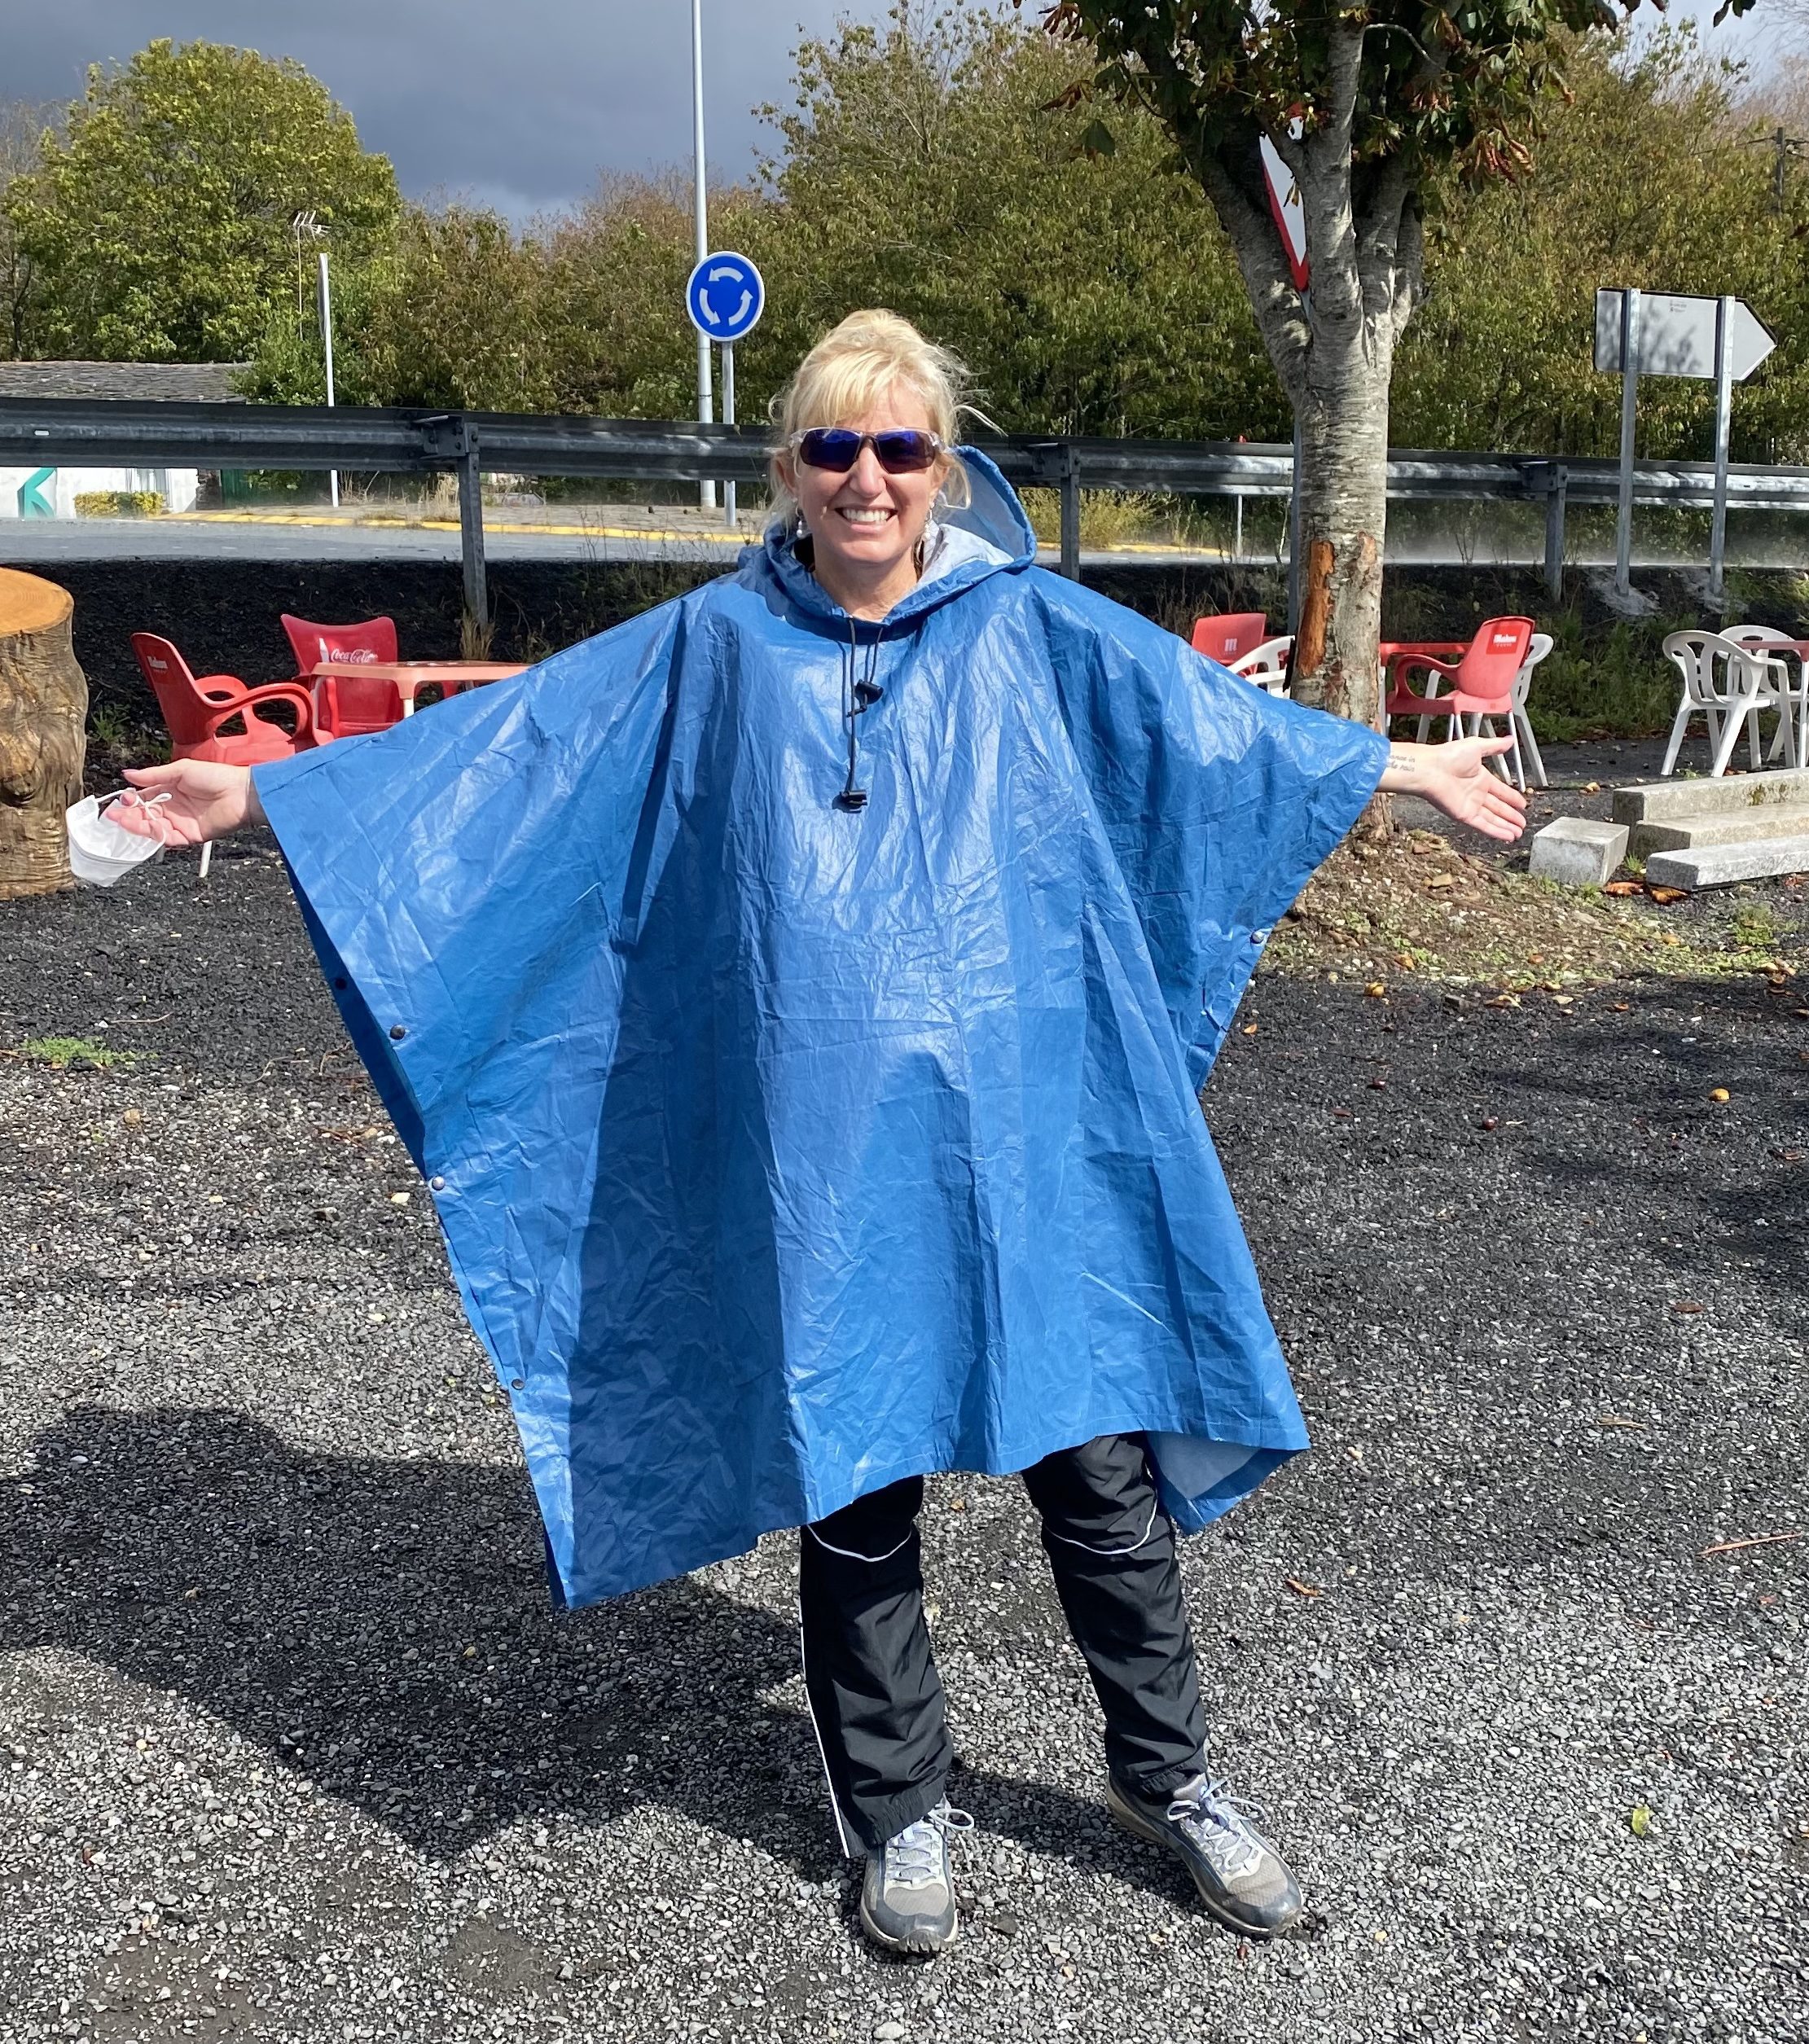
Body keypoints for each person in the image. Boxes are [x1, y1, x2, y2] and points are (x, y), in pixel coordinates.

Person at [121, 310, 1524, 1959]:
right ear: (790, 464)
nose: (867, 478)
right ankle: (900, 1806)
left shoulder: (1026, 629)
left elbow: (1210, 734)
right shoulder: (715, 645)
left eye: (900, 447)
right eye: (834, 447)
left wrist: (1410, 769)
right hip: (825, 1143)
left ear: (944, 468)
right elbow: (519, 750)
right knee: (853, 1474)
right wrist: (272, 792)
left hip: (1021, 1135)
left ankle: (1173, 1773)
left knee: (1099, 1464)